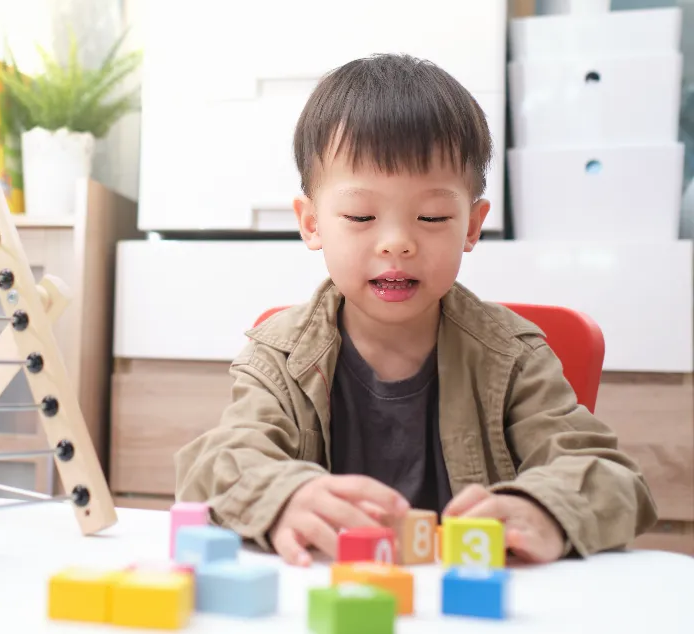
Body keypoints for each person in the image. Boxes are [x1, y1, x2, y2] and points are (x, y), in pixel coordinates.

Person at [173, 53, 657, 567]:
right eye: (361, 215)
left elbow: (613, 478)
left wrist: (542, 510)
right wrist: (282, 496)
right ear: (312, 222)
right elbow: (212, 466)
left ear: (471, 226)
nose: (398, 243)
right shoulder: (279, 355)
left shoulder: (513, 358)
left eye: (432, 216)